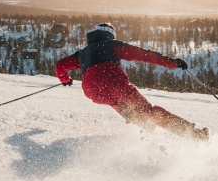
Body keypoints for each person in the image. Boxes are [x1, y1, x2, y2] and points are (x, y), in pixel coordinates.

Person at [55, 23, 209, 141]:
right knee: (147, 110)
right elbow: (145, 55)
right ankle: (194, 134)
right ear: (110, 35)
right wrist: (172, 63)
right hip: (113, 80)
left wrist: (65, 79)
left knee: (115, 102)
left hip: (90, 90)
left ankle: (141, 122)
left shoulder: (82, 53)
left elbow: (60, 65)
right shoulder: (111, 45)